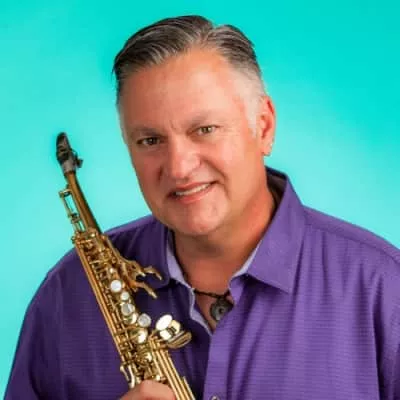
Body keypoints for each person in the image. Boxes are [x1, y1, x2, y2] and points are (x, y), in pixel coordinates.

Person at [5, 15, 400, 400]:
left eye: (205, 129)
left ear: (263, 127)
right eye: (150, 141)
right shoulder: (67, 292)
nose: (179, 167)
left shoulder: (383, 287)